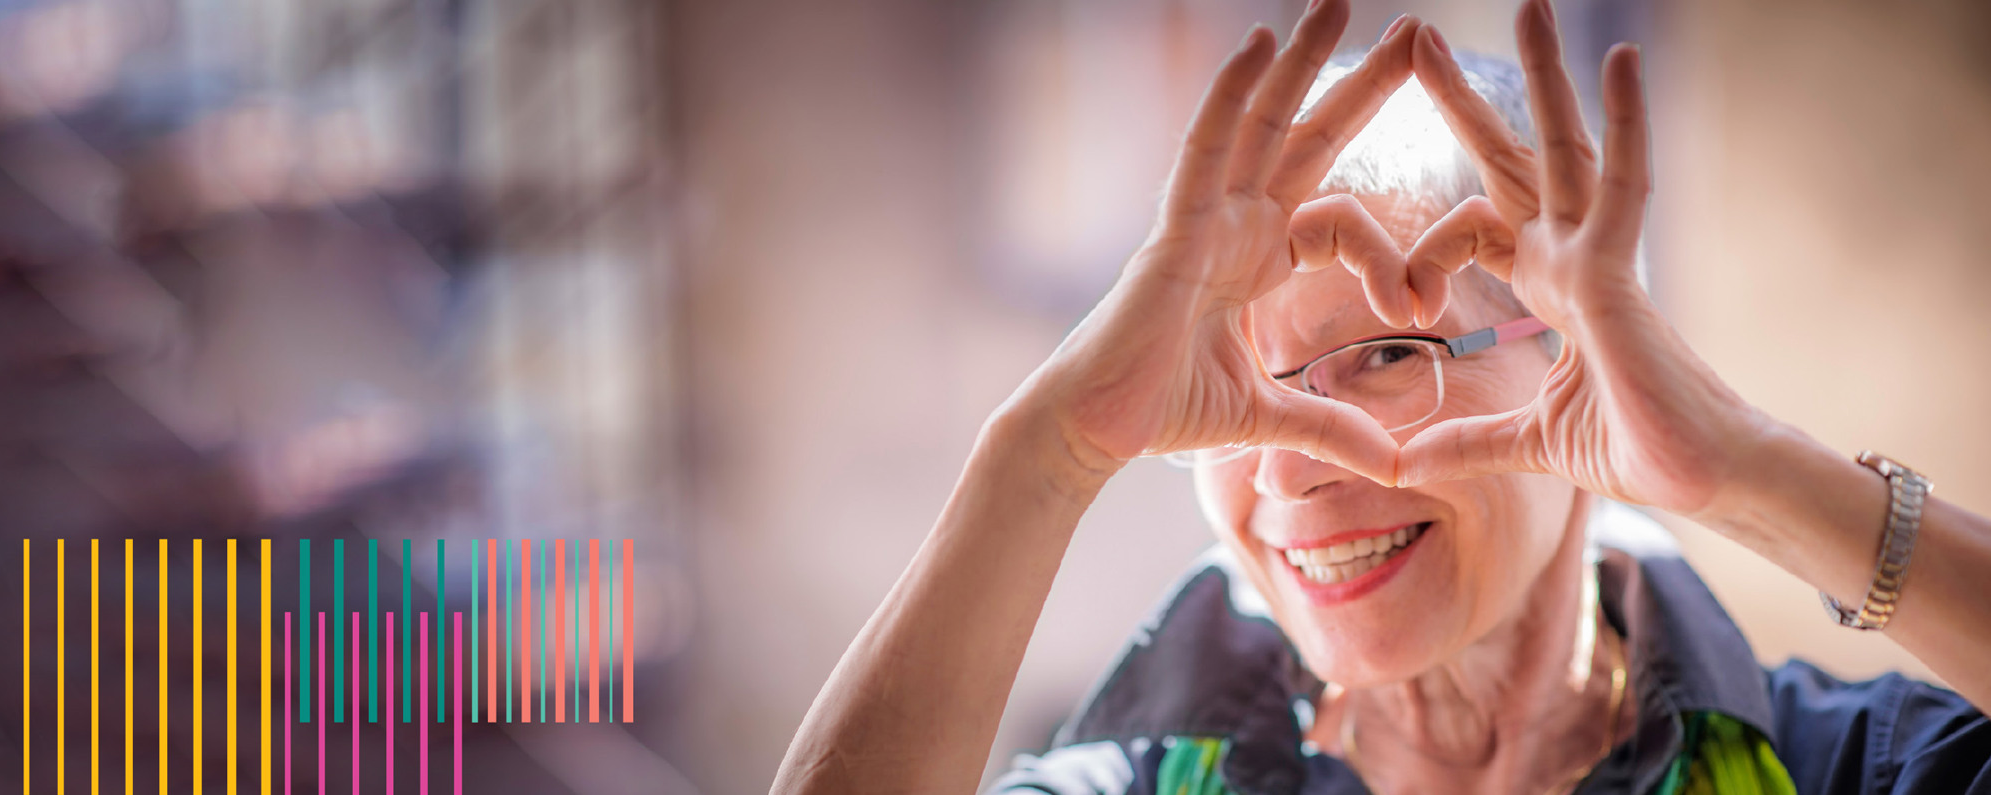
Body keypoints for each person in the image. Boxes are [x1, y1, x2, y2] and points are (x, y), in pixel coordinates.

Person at [769, 1, 1991, 793]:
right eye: (1237, 387)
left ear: (1572, 358)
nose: (1290, 466)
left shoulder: (1843, 770)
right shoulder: (1133, 784)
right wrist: (1043, 457)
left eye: (1391, 353)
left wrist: (1750, 472)